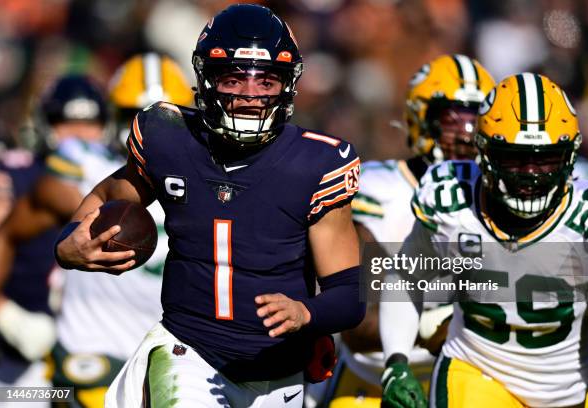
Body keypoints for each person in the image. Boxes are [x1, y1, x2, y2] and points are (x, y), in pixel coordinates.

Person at [55, 4, 365, 408]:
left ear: (287, 85)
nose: (251, 96)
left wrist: (308, 313)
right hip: (189, 351)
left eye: (266, 81)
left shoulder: (317, 164)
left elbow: (351, 293)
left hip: (277, 371)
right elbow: (106, 198)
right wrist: (67, 245)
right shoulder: (169, 138)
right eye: (235, 79)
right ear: (207, 79)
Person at [380, 72, 588, 407]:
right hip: (477, 373)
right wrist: (396, 363)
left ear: (569, 156)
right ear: (484, 151)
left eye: (545, 158)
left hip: (572, 389)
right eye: (515, 156)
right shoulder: (451, 200)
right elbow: (406, 277)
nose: (529, 173)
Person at [313, 54, 496, 408]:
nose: (468, 134)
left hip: (470, 378)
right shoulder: (376, 187)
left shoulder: (498, 195)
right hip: (371, 382)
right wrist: (433, 324)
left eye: (478, 120)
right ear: (420, 119)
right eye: (453, 120)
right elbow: (362, 325)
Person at [0, 75, 110, 403]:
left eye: (89, 124)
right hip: (20, 362)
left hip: (99, 351)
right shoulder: (16, 179)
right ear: (45, 125)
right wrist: (6, 315)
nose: (78, 135)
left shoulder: (122, 179)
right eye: (66, 123)